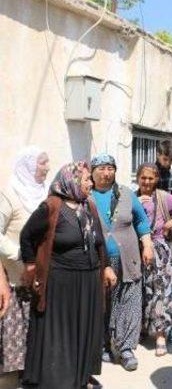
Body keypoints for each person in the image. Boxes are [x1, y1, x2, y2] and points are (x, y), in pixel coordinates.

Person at [20, 161, 116, 388]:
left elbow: (99, 241)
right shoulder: (52, 207)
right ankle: (59, 381)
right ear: (71, 181)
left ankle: (80, 377)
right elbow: (26, 236)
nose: (90, 183)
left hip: (88, 280)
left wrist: (106, 267)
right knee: (61, 332)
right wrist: (31, 265)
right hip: (61, 283)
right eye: (86, 179)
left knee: (84, 329)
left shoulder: (88, 206)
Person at [90, 154, 153, 371]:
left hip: (128, 257)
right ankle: (102, 345)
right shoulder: (85, 195)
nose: (106, 173)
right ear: (92, 171)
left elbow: (141, 220)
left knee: (129, 300)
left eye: (110, 168)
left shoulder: (126, 194)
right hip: (97, 260)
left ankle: (126, 349)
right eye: (101, 168)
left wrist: (147, 244)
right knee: (101, 302)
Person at [0, 146, 48, 382]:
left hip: (40, 280)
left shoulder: (45, 194)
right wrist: (20, 253)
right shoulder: (9, 194)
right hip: (15, 279)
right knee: (13, 341)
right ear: (28, 165)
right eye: (42, 163)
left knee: (36, 340)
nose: (47, 167)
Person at [136, 163, 172, 356]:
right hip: (138, 250)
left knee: (161, 292)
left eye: (150, 178)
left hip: (160, 251)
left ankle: (160, 334)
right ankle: (142, 330)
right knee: (141, 290)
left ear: (156, 179)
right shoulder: (131, 198)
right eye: (143, 177)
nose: (146, 181)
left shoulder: (163, 197)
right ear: (138, 178)